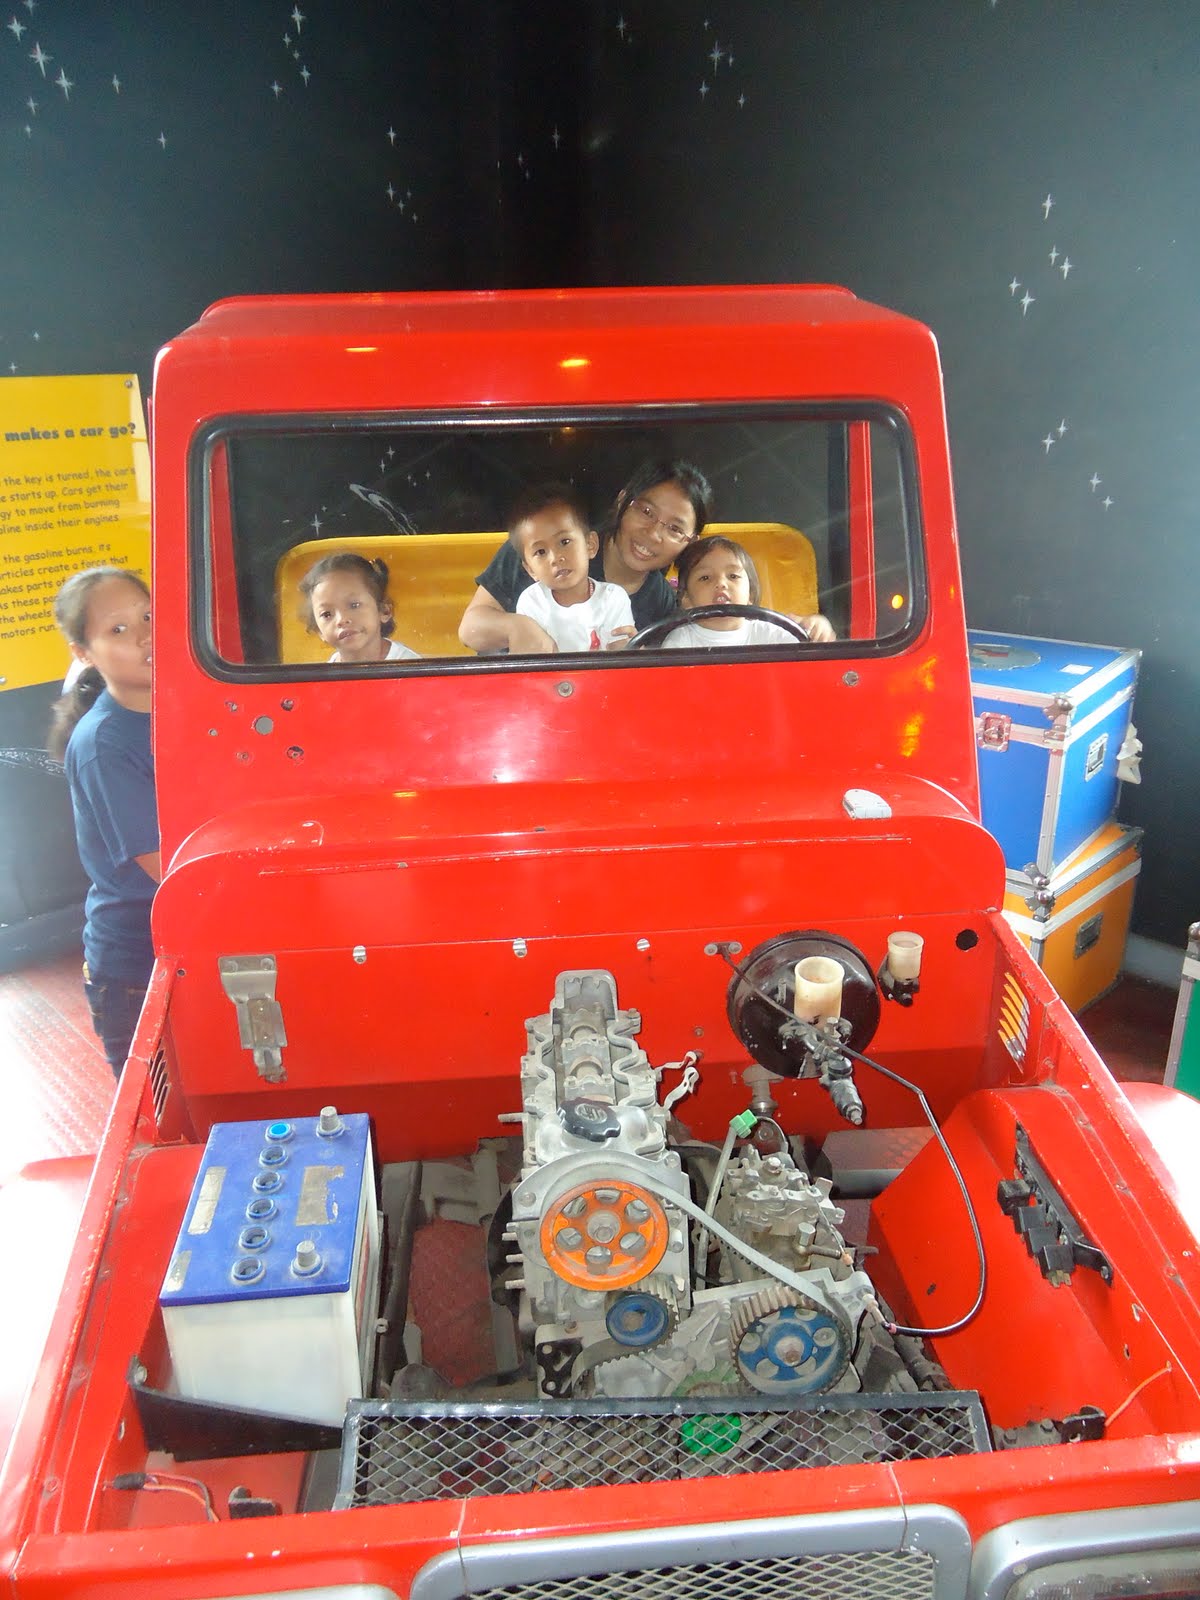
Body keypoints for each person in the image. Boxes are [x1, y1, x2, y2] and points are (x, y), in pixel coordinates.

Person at [48, 567, 159, 1078]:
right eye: (118, 629)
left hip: (185, 945)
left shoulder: (178, 709)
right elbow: (169, 870)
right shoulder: (104, 744)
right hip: (138, 968)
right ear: (84, 653)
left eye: (148, 616)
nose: (144, 636)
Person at [458, 459, 713, 654]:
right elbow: (470, 628)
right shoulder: (548, 547)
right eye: (646, 512)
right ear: (622, 501)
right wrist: (516, 627)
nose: (654, 534)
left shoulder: (661, 604)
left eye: (675, 529)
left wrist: (637, 660)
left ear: (690, 542)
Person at [509, 482, 634, 652]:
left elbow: (619, 659)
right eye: (541, 552)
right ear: (530, 569)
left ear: (590, 545)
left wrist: (629, 649)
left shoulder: (613, 599)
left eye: (564, 542)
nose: (555, 558)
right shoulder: (532, 602)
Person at [663, 536, 810, 648]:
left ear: (751, 594)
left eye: (733, 576)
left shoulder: (774, 636)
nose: (721, 583)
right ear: (686, 599)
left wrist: (816, 630)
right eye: (705, 578)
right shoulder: (680, 642)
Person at [299, 552, 421, 662]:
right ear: (319, 631)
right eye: (327, 614)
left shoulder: (409, 666)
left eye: (354, 605)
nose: (342, 619)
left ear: (384, 611)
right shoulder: (324, 674)